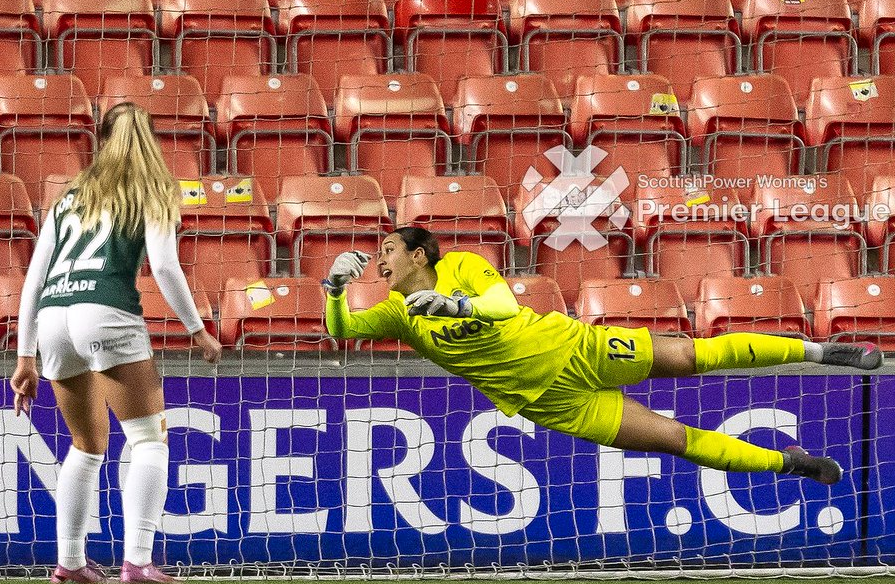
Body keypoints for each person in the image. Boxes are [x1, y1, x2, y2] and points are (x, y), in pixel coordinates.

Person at [323, 226, 883, 485]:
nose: (379, 262)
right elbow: (343, 331)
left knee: (695, 358)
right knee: (676, 440)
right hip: (554, 404)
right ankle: (791, 464)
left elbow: (500, 307)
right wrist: (333, 291)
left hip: (574, 348)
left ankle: (819, 348)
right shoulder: (400, 311)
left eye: (388, 251)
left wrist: (452, 305)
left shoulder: (463, 267)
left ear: (420, 254)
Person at [11, 102, 222, 584]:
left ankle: (69, 563)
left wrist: (26, 356)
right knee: (149, 440)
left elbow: (34, 278)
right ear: (151, 139)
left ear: (102, 139)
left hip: (53, 318)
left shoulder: (69, 197)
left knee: (85, 446)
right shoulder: (154, 189)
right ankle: (139, 560)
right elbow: (165, 266)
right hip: (106, 311)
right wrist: (197, 329)